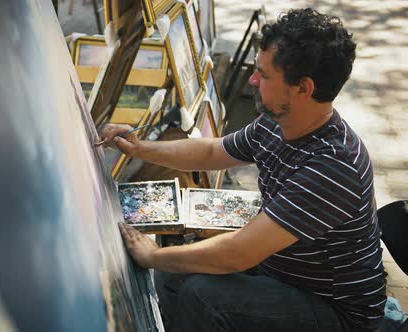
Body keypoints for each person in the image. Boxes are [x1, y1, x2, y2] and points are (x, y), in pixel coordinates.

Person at [100, 8, 386, 332]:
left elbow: (238, 254)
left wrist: (151, 256)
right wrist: (141, 148)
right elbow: (211, 150)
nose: (252, 80)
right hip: (283, 273)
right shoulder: (277, 123)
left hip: (337, 312)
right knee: (173, 273)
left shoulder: (333, 165)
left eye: (263, 75)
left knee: (202, 296)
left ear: (303, 88)